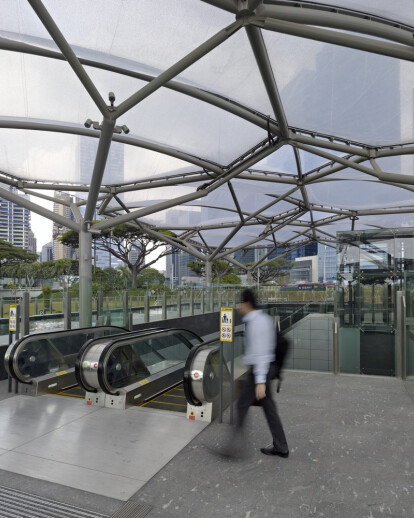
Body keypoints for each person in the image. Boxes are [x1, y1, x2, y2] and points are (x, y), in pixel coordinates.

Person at [235, 288, 289, 458]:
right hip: (263, 368)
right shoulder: (261, 318)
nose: (238, 307)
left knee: (243, 404)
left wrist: (259, 382)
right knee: (267, 408)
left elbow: (262, 352)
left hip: (261, 370)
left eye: (240, 303)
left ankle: (234, 447)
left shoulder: (256, 323)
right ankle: (281, 446)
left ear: (247, 304)